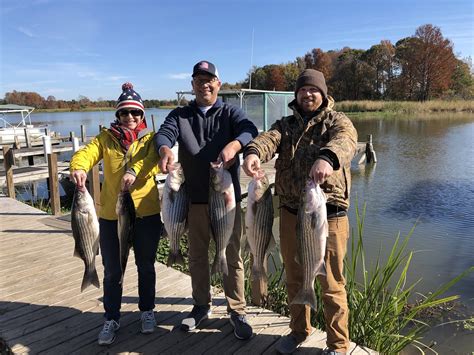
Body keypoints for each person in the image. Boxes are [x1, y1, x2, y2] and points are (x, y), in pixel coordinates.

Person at [243, 69, 357, 355]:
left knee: (331, 284)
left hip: (327, 216)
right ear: (296, 94)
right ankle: (298, 331)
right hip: (292, 213)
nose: (308, 94)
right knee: (294, 277)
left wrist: (326, 157)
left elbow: (346, 141)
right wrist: (254, 152)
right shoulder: (286, 124)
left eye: (313, 90)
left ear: (323, 93)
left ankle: (338, 345)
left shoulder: (336, 121)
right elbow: (268, 140)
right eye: (303, 90)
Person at [153, 60, 258, 340]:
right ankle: (201, 305)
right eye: (199, 81)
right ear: (192, 86)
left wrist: (236, 145)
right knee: (197, 257)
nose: (205, 85)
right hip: (195, 200)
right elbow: (164, 133)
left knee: (232, 256)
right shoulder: (180, 115)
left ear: (218, 84)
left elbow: (249, 129)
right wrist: (164, 149)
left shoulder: (230, 112)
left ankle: (237, 310)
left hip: (226, 203)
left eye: (209, 80)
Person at [70, 83, 163, 345]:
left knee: (146, 266)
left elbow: (152, 162)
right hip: (112, 216)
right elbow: (86, 154)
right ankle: (111, 318)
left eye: (135, 113)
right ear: (117, 115)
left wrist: (134, 171)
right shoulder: (105, 138)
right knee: (112, 270)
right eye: (125, 113)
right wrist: (78, 167)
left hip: (146, 214)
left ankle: (147, 311)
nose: (130, 118)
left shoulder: (152, 139)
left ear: (142, 115)